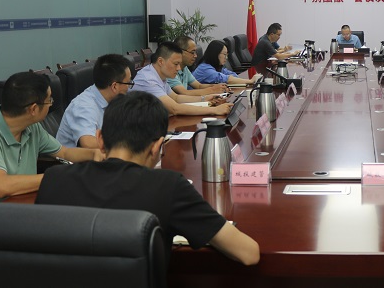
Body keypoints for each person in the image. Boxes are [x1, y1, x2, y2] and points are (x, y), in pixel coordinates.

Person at [36, 92, 260, 265]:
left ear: (100, 139)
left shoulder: (54, 179)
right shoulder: (168, 186)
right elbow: (248, 253)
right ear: (157, 146)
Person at [0, 72, 103, 202]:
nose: (51, 104)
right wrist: (57, 177)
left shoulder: (31, 128)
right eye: (49, 100)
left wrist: (95, 154)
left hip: (17, 207)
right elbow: (1, 186)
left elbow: (64, 152)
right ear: (33, 109)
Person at [131, 41, 232, 116]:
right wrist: (215, 110)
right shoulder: (148, 80)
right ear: (161, 61)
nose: (179, 68)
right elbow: (175, 108)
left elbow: (176, 98)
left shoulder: (159, 75)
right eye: (176, 64)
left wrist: (205, 98)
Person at [56, 54, 133, 148]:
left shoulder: (112, 99)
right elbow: (88, 143)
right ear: (114, 86)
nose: (129, 87)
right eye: (128, 83)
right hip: (78, 157)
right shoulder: (83, 106)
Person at [193, 40, 259, 85]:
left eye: (227, 55)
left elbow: (232, 75)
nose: (226, 58)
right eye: (224, 54)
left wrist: (231, 78)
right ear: (215, 54)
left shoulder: (215, 66)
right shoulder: (205, 69)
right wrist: (250, 81)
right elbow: (227, 79)